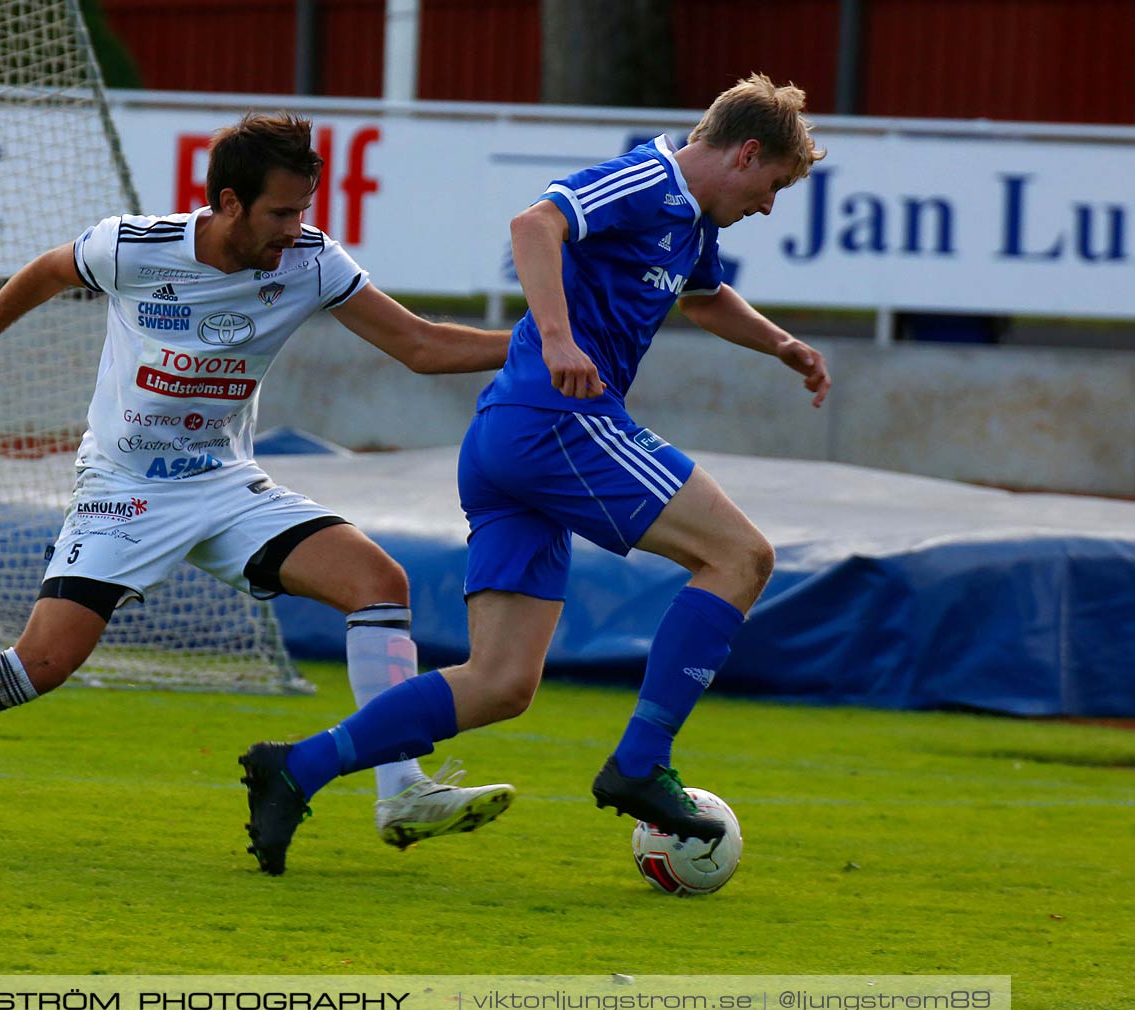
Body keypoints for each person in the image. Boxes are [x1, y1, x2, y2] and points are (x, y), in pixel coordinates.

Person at [0, 112, 516, 853]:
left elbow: (422, 345)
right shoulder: (135, 246)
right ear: (228, 203)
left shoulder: (311, 262)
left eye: (303, 211)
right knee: (41, 664)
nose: (295, 229)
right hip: (123, 488)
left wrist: (543, 343)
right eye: (280, 212)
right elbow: (49, 270)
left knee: (379, 583)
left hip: (226, 483)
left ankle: (399, 794)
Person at [241, 73, 830, 875]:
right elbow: (535, 225)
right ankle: (641, 763)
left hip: (510, 443)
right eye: (773, 185)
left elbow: (705, 298)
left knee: (501, 681)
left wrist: (781, 344)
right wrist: (555, 337)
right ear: (746, 152)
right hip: (558, 422)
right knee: (741, 557)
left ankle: (295, 769)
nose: (768, 204)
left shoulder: (690, 224)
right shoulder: (648, 177)